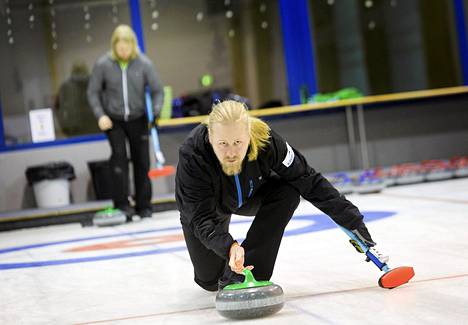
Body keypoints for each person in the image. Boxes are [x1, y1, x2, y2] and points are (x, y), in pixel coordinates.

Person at [176, 100, 381, 291]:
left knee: (289, 191)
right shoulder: (193, 154)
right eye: (222, 144)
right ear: (210, 137)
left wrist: (352, 221)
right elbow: (199, 217)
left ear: (248, 134)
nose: (231, 152)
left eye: (238, 142)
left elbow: (309, 180)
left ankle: (251, 272)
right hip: (209, 207)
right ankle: (226, 266)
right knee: (210, 281)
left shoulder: (267, 141)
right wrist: (229, 246)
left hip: (250, 194)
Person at [87, 24, 164, 220]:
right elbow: (92, 92)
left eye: (126, 46)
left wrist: (155, 112)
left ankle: (144, 206)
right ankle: (122, 206)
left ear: (133, 46)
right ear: (114, 46)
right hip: (114, 120)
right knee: (119, 161)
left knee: (142, 162)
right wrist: (100, 115)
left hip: (138, 118)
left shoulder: (144, 63)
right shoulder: (103, 64)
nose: (123, 51)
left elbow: (157, 91)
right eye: (119, 47)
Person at [54, 61, 99, 136]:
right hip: (95, 128)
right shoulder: (96, 83)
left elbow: (57, 108)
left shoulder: (64, 87)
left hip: (75, 130)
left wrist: (64, 126)